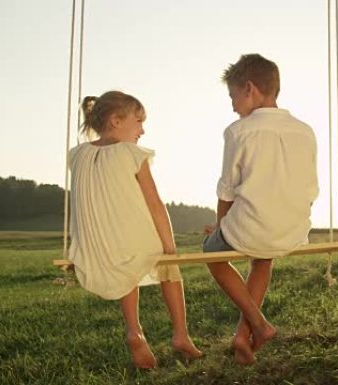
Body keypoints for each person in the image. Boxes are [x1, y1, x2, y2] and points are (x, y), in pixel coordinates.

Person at [68, 91, 202, 369]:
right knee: (168, 267)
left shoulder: (78, 154)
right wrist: (169, 245)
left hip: (96, 248)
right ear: (116, 121)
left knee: (124, 266)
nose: (143, 129)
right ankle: (180, 334)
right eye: (138, 121)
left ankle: (134, 330)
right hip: (134, 241)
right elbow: (154, 203)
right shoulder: (130, 153)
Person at [202, 53, 319, 365]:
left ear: (249, 89)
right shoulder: (305, 130)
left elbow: (227, 190)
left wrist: (221, 227)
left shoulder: (238, 131)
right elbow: (309, 186)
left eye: (233, 96)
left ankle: (259, 324)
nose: (232, 105)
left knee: (210, 254)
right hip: (293, 228)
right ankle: (243, 335)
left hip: (252, 227)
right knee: (261, 260)